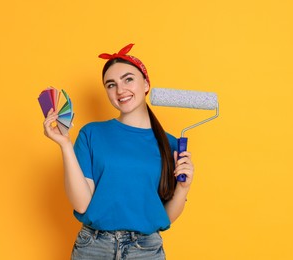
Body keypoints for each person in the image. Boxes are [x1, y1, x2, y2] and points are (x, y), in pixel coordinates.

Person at [43, 43, 194, 259]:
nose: (120, 90)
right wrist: (65, 144)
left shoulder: (170, 144)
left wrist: (183, 187)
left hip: (146, 251)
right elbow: (82, 204)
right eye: (111, 84)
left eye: (128, 79)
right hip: (93, 247)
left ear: (146, 84)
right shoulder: (91, 134)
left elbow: (166, 218)